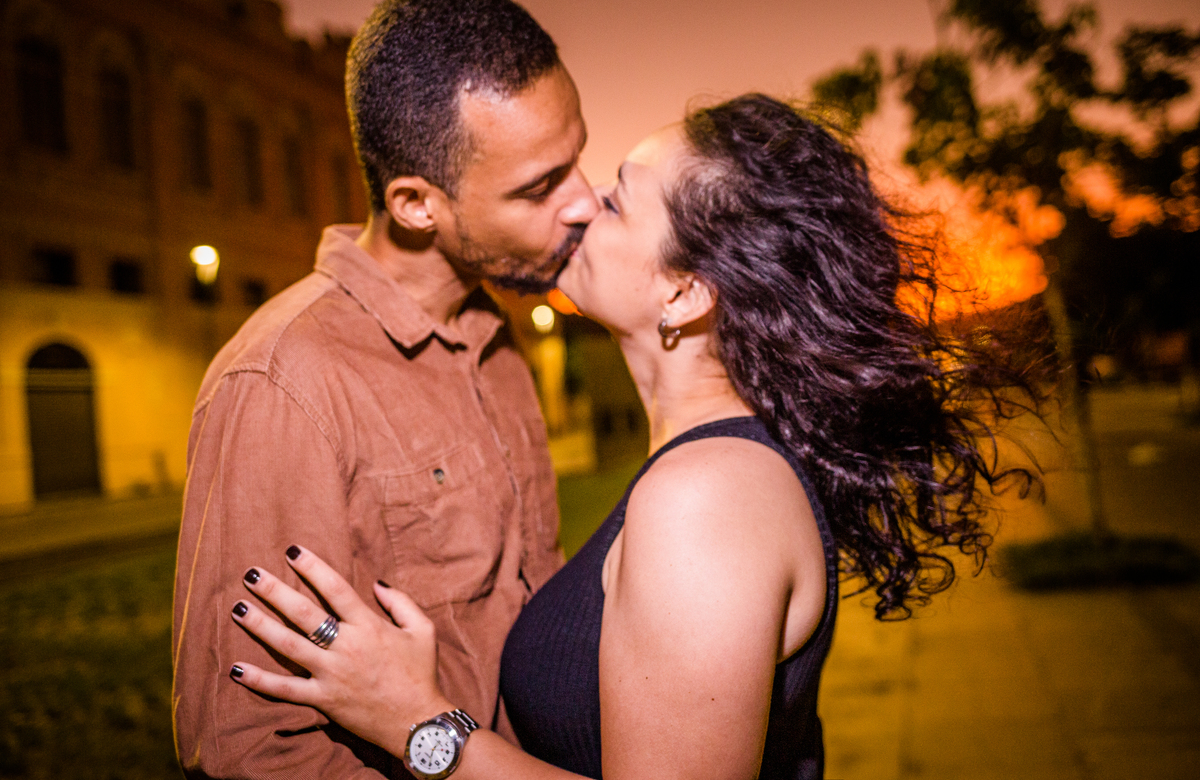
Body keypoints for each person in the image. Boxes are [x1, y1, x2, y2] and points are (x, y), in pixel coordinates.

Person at [225, 95, 1040, 780]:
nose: (580, 204)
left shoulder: (707, 497)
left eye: (617, 199)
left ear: (684, 293)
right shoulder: (711, 468)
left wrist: (416, 721)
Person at [171, 0, 601, 777]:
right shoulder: (283, 383)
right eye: (539, 186)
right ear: (414, 203)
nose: (582, 202)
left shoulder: (494, 333)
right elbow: (250, 752)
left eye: (575, 158)